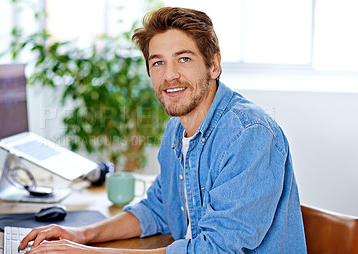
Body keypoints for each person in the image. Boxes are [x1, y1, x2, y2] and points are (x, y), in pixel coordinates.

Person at [19, 7, 307, 253]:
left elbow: (216, 249)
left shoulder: (250, 134)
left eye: (184, 59)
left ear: (214, 65)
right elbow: (157, 208)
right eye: (158, 62)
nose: (169, 76)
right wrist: (80, 236)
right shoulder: (176, 129)